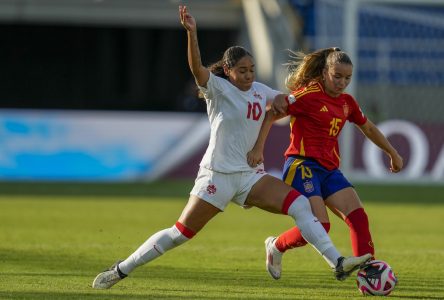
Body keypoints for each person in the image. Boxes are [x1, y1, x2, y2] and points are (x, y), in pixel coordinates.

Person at [92, 8, 371, 290]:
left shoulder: (261, 91)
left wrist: (311, 95)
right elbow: (197, 69)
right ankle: (121, 269)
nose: (249, 75)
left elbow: (289, 104)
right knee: (181, 233)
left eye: (251, 69)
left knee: (300, 204)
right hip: (218, 176)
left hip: (249, 177)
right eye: (242, 71)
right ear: (228, 71)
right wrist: (192, 33)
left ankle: (337, 262)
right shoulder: (218, 90)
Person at [247, 47, 403, 280]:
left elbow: (368, 127)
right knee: (322, 225)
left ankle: (368, 277)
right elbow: (271, 113)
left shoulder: (347, 102)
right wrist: (258, 148)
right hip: (301, 166)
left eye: (347, 78)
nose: (342, 82)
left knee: (359, 218)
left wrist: (392, 152)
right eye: (337, 76)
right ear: (323, 73)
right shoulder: (307, 95)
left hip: (329, 170)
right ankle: (276, 245)